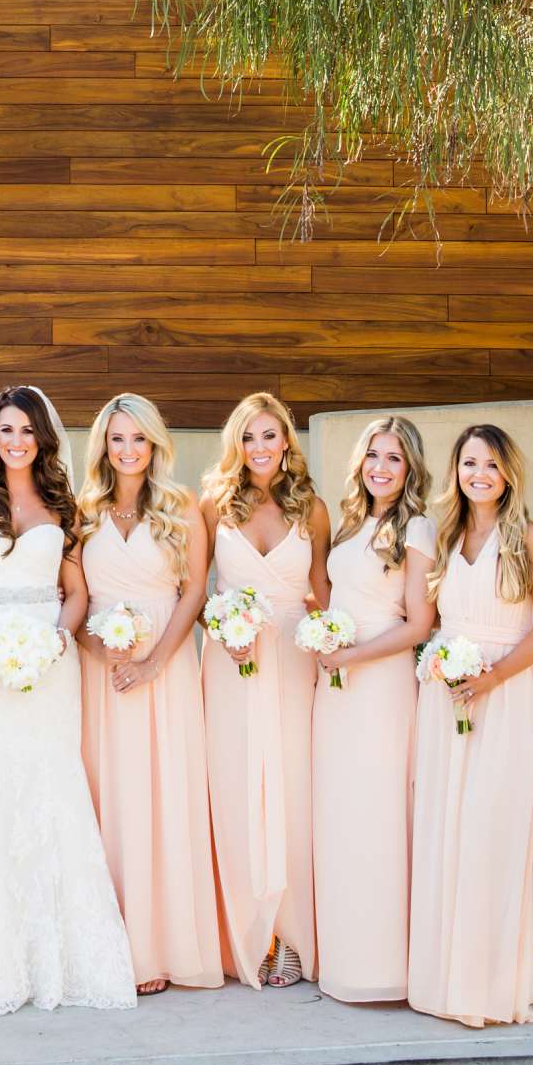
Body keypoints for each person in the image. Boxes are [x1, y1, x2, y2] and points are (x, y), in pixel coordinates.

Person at [0, 384, 136, 1016]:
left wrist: (57, 638)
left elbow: (75, 591)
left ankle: (67, 956)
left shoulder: (62, 504)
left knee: (53, 790)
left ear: (43, 438)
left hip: (51, 665)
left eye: (27, 431)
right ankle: (2, 962)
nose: (16, 441)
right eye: (6, 430)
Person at [408, 423, 533, 1028]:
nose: (480, 474)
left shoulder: (529, 537)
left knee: (489, 830)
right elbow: (425, 621)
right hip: (445, 696)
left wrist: (494, 677)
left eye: (492, 466)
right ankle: (439, 981)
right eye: (470, 463)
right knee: (444, 828)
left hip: (504, 695)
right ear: (456, 470)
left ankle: (487, 987)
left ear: (508, 475)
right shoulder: (441, 536)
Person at [75, 392, 223, 994]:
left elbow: (193, 592)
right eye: (117, 439)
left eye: (139, 439)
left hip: (166, 669)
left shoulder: (182, 504)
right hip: (102, 674)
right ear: (103, 447)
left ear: (155, 444)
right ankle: (113, 949)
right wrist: (95, 649)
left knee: (164, 796)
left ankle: (161, 948)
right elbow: (75, 597)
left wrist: (157, 662)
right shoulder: (83, 510)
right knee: (110, 796)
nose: (128, 450)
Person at [201, 390, 330, 990]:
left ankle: (294, 939)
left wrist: (334, 646)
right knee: (232, 791)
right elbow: (195, 591)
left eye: (270, 436)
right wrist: (220, 629)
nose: (259, 448)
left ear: (287, 443)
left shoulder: (313, 509)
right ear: (237, 444)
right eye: (248, 437)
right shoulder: (214, 505)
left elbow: (324, 593)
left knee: (292, 793)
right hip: (230, 662)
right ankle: (242, 936)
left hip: (294, 660)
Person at [311, 415, 437, 1005]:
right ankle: (346, 958)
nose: (381, 468)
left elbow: (418, 624)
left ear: (409, 468)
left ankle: (386, 966)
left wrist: (352, 656)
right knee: (342, 812)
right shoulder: (352, 523)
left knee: (381, 813)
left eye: (394, 459)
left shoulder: (416, 529)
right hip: (339, 681)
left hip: (381, 682)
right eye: (373, 456)